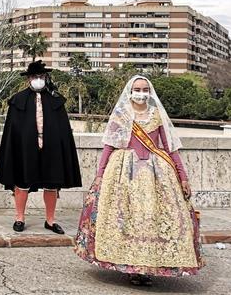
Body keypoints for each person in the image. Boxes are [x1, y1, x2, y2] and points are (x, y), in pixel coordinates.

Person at [75, 75, 203, 286]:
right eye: (137, 89)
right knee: (125, 217)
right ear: (130, 91)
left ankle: (148, 266)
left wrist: (183, 177)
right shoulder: (121, 115)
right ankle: (130, 266)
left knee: (151, 218)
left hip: (156, 172)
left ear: (150, 92)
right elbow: (109, 146)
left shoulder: (156, 115)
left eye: (145, 89)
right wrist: (100, 175)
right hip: (123, 171)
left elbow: (171, 148)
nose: (141, 93)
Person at [0, 60, 81, 233]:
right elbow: (12, 130)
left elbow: (63, 129)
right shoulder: (18, 100)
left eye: (41, 76)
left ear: (46, 77)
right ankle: (19, 217)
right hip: (25, 148)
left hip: (51, 148)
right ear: (28, 79)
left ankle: (50, 220)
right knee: (22, 181)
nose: (38, 80)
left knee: (51, 183)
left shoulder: (56, 100)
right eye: (35, 77)